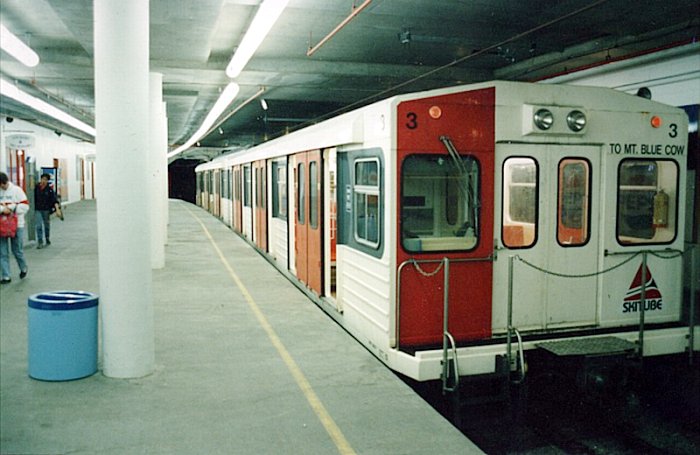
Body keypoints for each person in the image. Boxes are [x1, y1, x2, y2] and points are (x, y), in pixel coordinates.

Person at [0, 172, 29, 283]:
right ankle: (6, 276)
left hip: (17, 225)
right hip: (1, 226)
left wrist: (12, 208)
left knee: (17, 250)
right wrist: (3, 210)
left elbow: (25, 206)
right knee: (2, 252)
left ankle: (23, 268)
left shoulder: (17, 191)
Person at [34, 173, 59, 248]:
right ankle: (40, 241)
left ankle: (47, 238)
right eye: (43, 179)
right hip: (38, 209)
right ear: (40, 179)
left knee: (46, 225)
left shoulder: (50, 190)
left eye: (46, 180)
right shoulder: (36, 188)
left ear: (48, 181)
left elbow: (54, 200)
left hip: (46, 210)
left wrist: (57, 209)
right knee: (38, 225)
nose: (44, 181)